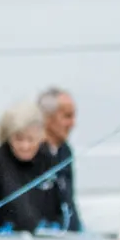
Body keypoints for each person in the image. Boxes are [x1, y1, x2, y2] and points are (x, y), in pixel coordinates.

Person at [0, 100, 68, 234]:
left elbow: (63, 207)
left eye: (30, 139)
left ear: (40, 137)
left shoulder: (48, 159)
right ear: (8, 136)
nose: (25, 146)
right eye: (19, 139)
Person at [37, 86, 81, 231]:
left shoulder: (65, 151)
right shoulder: (30, 154)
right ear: (47, 118)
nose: (73, 123)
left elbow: (69, 201)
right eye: (67, 116)